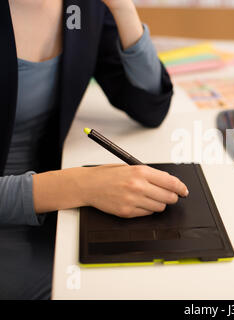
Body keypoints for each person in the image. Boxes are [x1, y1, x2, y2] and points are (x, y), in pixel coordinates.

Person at [0, 0, 189, 299]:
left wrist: (124, 9)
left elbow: (149, 105)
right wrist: (80, 185)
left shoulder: (81, 8)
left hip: (55, 209)